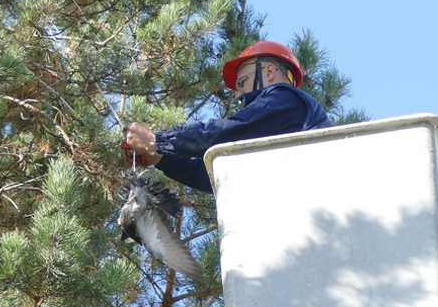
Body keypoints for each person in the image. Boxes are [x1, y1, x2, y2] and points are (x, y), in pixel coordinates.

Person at [124, 40, 332, 193]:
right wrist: (160, 158)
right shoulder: (271, 137)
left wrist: (157, 141)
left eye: (242, 83)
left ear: (268, 72)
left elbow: (223, 133)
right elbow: (212, 174)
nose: (238, 94)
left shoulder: (286, 100)